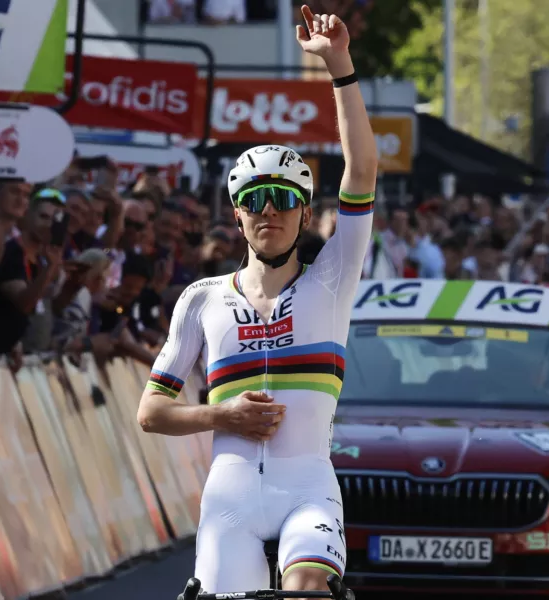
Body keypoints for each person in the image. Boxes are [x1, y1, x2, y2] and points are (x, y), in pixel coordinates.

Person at [136, 6, 377, 597]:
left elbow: (362, 169)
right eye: (255, 199)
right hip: (231, 499)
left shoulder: (332, 281)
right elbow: (151, 412)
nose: (269, 210)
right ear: (238, 214)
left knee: (305, 589)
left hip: (308, 491)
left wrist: (340, 66)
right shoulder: (201, 300)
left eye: (283, 199)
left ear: (304, 213)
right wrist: (222, 416)